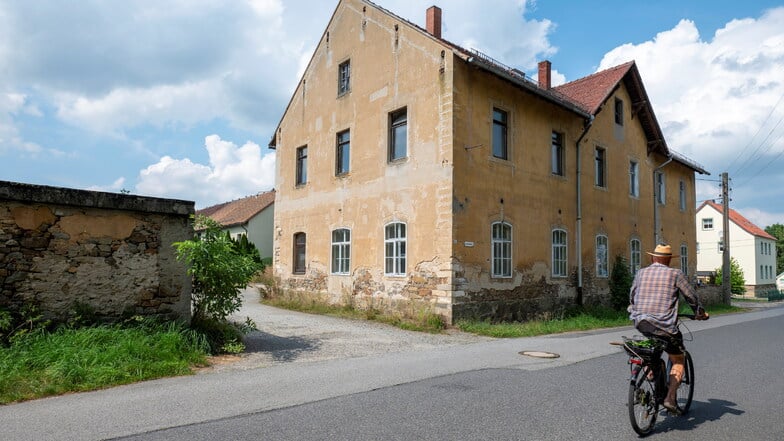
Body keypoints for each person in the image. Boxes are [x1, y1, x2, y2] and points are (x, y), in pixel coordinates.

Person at [628, 244, 709, 413]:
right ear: (670, 260)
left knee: (652, 351)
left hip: (641, 322)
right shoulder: (675, 274)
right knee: (678, 358)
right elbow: (691, 296)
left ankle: (650, 372)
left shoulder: (641, 273)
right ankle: (670, 398)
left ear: (652, 258)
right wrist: (699, 312)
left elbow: (632, 296)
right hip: (664, 325)